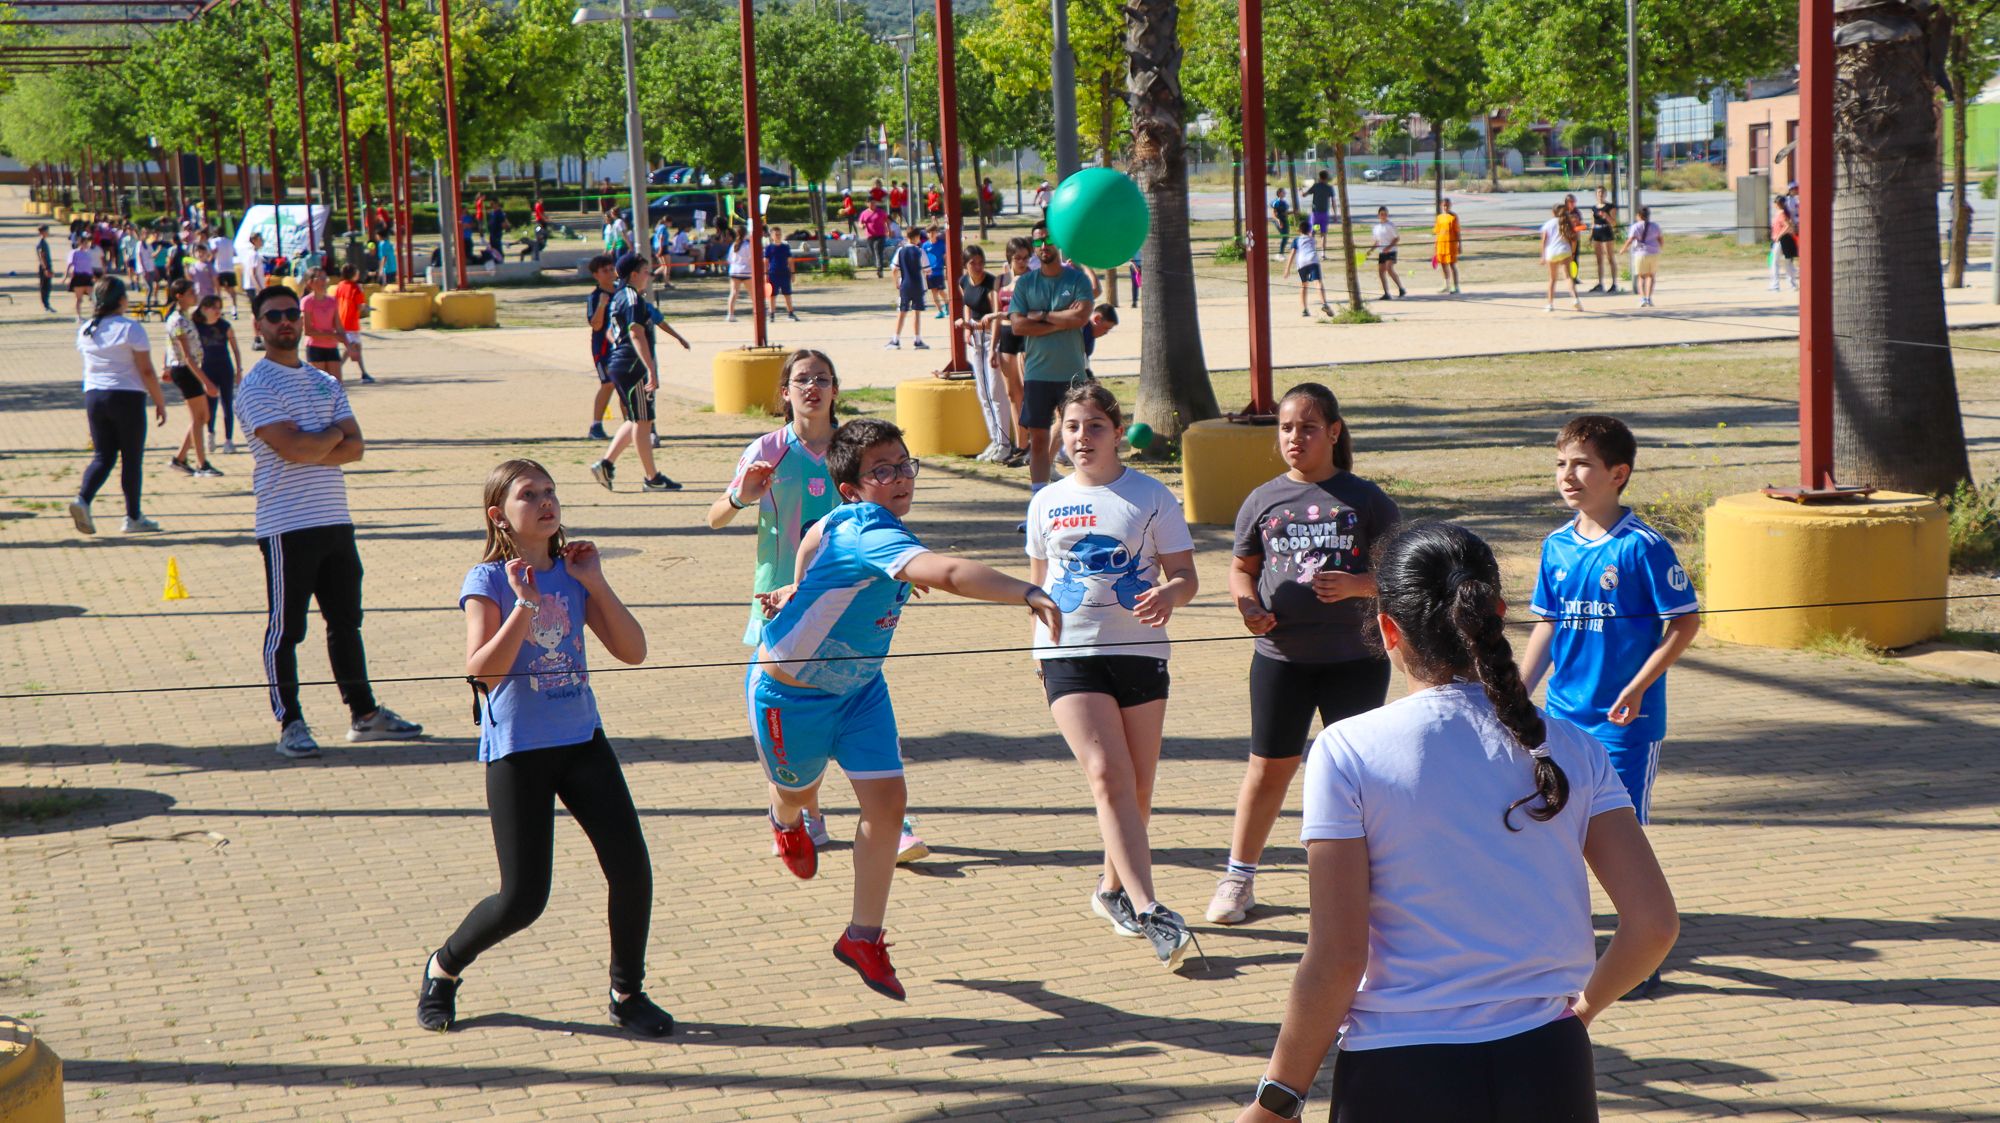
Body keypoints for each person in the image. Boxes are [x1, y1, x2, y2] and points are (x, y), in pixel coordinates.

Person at [1231, 519, 1679, 1123]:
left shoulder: (1349, 749)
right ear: (1495, 613)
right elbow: (1653, 924)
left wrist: (1279, 1098)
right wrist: (1582, 1010)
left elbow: (1338, 957)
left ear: (1388, 629)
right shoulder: (1572, 745)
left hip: (1400, 1070)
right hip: (1549, 1062)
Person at [749, 417, 1064, 1000]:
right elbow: (945, 572)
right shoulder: (869, 529)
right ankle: (786, 817)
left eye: (904, 465)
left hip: (862, 689)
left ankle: (862, 936)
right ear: (852, 489)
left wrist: (803, 587)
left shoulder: (856, 524)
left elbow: (816, 539)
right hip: (791, 697)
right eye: (882, 471)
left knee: (889, 803)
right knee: (796, 789)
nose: (900, 479)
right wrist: (1027, 589)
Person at [415, 459, 673, 1038]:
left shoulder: (573, 571)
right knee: (523, 899)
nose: (546, 503)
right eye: (528, 495)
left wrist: (596, 582)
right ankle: (444, 967)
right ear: (499, 516)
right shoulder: (485, 581)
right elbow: (481, 673)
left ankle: (627, 993)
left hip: (582, 740)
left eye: (550, 492)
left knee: (632, 870)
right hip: (519, 751)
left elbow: (633, 650)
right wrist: (525, 604)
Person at [1208, 383, 1398, 927]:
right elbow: (1242, 567)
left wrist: (1361, 585)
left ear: (1334, 433)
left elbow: (1402, 569)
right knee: (1269, 770)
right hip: (1281, 658)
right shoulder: (1263, 499)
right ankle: (1238, 879)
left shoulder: (1365, 498)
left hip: (1355, 659)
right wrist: (1248, 607)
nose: (1295, 438)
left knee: (1357, 777)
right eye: (1287, 428)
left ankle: (1371, 886)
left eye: (1308, 428)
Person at [1025, 382, 1200, 969]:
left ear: (1117, 432)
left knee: (1135, 789)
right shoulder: (1045, 501)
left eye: (1094, 426)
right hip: (1068, 656)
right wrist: (1038, 638)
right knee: (1107, 775)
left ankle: (1109, 891)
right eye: (1072, 427)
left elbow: (1186, 575)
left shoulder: (1150, 496)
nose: (1081, 438)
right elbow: (1040, 584)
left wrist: (1168, 595)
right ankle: (1151, 909)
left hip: (1141, 652)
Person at [235, 283, 424, 758]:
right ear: (258, 326)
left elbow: (356, 448)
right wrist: (330, 436)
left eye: (290, 314)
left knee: (345, 622)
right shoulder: (256, 386)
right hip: (285, 525)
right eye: (273, 315)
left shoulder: (325, 381)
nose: (285, 322)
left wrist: (318, 440)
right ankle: (291, 723)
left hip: (334, 520)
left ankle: (363, 715)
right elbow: (293, 448)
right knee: (286, 629)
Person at [1520, 414, 1699, 863]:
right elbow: (1549, 622)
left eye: (1581, 464)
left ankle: (1641, 922)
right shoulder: (1556, 545)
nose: (1566, 475)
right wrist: (1517, 691)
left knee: (1617, 841)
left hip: (1624, 724)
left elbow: (1685, 623)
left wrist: (1637, 688)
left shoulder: (1643, 547)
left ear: (1619, 474)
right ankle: (1568, 924)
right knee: (1558, 828)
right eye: (1560, 463)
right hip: (1563, 717)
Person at [708, 349, 851, 858]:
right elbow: (715, 517)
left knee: (845, 707)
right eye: (800, 380)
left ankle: (872, 813)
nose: (811, 387)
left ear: (835, 389)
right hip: (777, 603)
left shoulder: (851, 448)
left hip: (844, 602)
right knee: (790, 719)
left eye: (822, 379)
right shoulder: (767, 448)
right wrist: (743, 496)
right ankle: (802, 811)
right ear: (784, 393)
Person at [69, 277, 169, 535]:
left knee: (103, 455)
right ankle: (133, 516)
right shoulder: (130, 328)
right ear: (121, 300)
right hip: (126, 396)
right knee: (131, 459)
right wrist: (160, 401)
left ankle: (82, 499)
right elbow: (146, 370)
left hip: (94, 396)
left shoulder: (86, 329)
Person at [588, 253, 689, 494]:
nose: (649, 276)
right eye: (646, 271)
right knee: (643, 421)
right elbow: (635, 332)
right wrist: (651, 369)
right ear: (634, 274)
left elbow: (615, 332)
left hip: (621, 363)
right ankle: (652, 478)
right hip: (633, 366)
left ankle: (606, 464)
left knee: (635, 419)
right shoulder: (631, 297)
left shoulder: (619, 296)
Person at [1007, 237, 1094, 507]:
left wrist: (1042, 314)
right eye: (1038, 241)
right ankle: (1037, 503)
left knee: (1081, 435)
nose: (1044, 246)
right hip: (1037, 373)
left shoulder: (1076, 279)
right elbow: (1019, 326)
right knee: (1039, 438)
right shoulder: (1025, 283)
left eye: (1049, 241)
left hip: (1072, 373)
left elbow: (1080, 318)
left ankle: (1083, 497)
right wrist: (1060, 320)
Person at [158, 279, 221, 479]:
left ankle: (181, 458)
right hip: (186, 370)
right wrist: (206, 381)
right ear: (179, 296)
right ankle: (202, 463)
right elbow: (186, 355)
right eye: (190, 293)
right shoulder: (178, 320)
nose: (194, 295)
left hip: (186, 369)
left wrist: (166, 366)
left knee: (203, 417)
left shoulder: (184, 317)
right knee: (198, 417)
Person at [956, 246, 1010, 461]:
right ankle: (995, 439)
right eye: (973, 263)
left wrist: (994, 346)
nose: (978, 267)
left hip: (989, 338)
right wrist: (967, 329)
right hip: (975, 340)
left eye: (980, 262)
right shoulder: (964, 282)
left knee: (996, 391)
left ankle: (1005, 442)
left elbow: (995, 315)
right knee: (983, 392)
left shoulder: (991, 283)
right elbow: (967, 305)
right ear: (966, 265)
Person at [990, 237, 1035, 466]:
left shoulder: (1032, 278)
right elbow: (996, 314)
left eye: (1026, 258)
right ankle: (1020, 444)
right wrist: (993, 347)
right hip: (1006, 336)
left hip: (1025, 334)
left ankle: (1034, 444)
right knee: (1012, 393)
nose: (1022, 262)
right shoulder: (1000, 280)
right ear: (1009, 258)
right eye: (1018, 258)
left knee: (1029, 391)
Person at [194, 294, 244, 456]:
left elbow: (235, 349)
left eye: (219, 308)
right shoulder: (196, 326)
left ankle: (229, 440)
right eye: (214, 307)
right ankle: (210, 434)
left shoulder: (225, 326)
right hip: (207, 368)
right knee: (210, 404)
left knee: (227, 404)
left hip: (225, 368)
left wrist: (239, 370)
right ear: (204, 309)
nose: (218, 311)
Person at [583, 253, 618, 441]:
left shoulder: (621, 292)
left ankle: (631, 424)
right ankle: (595, 426)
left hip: (621, 347)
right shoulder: (596, 297)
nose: (610, 273)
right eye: (605, 270)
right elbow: (595, 324)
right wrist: (602, 305)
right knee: (608, 384)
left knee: (623, 384)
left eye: (612, 269)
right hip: (602, 349)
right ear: (596, 274)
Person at [886, 226, 930, 350]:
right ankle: (917, 339)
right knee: (916, 312)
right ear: (916, 237)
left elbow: (894, 269)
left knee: (902, 312)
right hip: (918, 285)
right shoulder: (920, 251)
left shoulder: (901, 250)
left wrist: (896, 282)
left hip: (905, 284)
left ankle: (896, 339)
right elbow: (927, 270)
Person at [297, 268, 345, 381]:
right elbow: (308, 330)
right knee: (320, 387)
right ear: (310, 282)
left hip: (332, 347)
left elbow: (339, 327)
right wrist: (332, 335)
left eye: (325, 278)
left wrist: (349, 345)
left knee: (337, 386)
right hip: (315, 347)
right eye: (321, 278)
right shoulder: (307, 302)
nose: (325, 281)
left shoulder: (332, 301)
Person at [332, 265, 374, 383]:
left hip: (341, 321)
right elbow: (359, 306)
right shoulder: (356, 288)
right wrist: (366, 308)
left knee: (356, 348)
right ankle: (336, 370)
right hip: (351, 322)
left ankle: (363, 373)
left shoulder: (340, 286)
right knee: (352, 347)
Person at [1540, 202, 1582, 313]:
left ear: (1553, 212)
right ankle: (1575, 299)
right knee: (1568, 277)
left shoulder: (1548, 224)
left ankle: (1550, 304)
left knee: (1552, 279)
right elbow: (1574, 239)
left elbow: (1544, 240)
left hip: (1551, 252)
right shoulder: (1566, 222)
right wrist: (1572, 253)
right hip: (1564, 250)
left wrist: (1543, 255)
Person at [1622, 206, 1663, 308]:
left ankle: (1643, 298)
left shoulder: (1635, 227)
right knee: (1651, 276)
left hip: (1640, 254)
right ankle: (1649, 298)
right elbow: (1660, 239)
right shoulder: (1655, 226)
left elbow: (1630, 239)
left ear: (1639, 215)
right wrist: (1660, 247)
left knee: (1641, 277)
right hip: (1653, 253)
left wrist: (1623, 249)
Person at [1365, 206, 1405, 300]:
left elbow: (1396, 238)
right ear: (1378, 215)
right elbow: (1377, 242)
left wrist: (1389, 247)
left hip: (1391, 251)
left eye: (1385, 214)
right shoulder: (1376, 228)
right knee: (1381, 271)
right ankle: (1386, 293)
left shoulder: (1390, 225)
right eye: (1381, 214)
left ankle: (1401, 288)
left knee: (1389, 268)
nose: (1383, 216)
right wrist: (1370, 251)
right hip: (1382, 252)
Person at [763, 224, 798, 322]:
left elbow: (790, 261)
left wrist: (793, 273)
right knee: (772, 295)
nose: (778, 236)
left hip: (784, 273)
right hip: (773, 273)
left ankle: (790, 313)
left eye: (779, 234)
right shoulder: (769, 248)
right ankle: (772, 314)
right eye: (776, 234)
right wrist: (765, 274)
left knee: (787, 294)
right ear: (772, 236)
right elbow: (765, 262)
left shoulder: (785, 247)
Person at [1588, 187, 1619, 294]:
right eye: (1598, 192)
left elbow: (1614, 223)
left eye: (1602, 192)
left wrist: (1606, 216)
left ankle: (1614, 283)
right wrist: (1590, 236)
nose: (1600, 194)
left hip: (1607, 232)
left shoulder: (1610, 207)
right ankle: (1600, 283)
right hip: (1597, 233)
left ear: (1605, 194)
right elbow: (1592, 222)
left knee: (1610, 258)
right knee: (1599, 260)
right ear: (1596, 194)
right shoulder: (1593, 208)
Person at [724, 227, 756, 323]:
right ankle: (757, 312)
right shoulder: (748, 245)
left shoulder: (734, 245)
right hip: (746, 271)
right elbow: (751, 259)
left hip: (734, 271)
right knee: (752, 293)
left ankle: (730, 314)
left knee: (733, 293)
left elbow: (729, 260)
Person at [63, 235, 98, 320]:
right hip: (78, 276)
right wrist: (66, 276)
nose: (87, 245)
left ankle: (96, 315)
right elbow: (70, 265)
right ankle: (79, 316)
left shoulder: (87, 253)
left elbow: (89, 266)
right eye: (85, 243)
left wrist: (93, 276)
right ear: (81, 243)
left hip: (87, 276)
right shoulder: (74, 252)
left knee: (93, 296)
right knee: (79, 298)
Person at [1432, 198, 1461, 295]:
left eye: (1447, 205)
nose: (1445, 207)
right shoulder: (1439, 217)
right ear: (1441, 205)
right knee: (1443, 265)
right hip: (1441, 244)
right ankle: (1446, 285)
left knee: (1452, 265)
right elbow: (1437, 232)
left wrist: (1459, 244)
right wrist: (1435, 245)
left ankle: (1456, 287)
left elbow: (1457, 232)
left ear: (1450, 205)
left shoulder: (1453, 217)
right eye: (1444, 205)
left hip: (1451, 245)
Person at [1769, 197, 1798, 292]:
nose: (1776, 204)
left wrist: (1779, 236)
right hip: (1779, 240)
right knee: (1787, 263)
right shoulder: (1780, 213)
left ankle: (1776, 285)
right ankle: (1791, 284)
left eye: (1778, 203)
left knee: (1776, 262)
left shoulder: (1782, 213)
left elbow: (1788, 225)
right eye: (1776, 202)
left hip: (1782, 240)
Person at [922, 224, 948, 317]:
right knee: (934, 292)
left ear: (937, 233)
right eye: (930, 233)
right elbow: (923, 259)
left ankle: (947, 304)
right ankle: (940, 311)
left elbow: (945, 258)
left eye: (934, 232)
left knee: (941, 291)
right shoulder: (925, 245)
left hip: (939, 271)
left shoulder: (941, 244)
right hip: (929, 272)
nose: (932, 234)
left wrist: (946, 270)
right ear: (927, 234)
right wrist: (924, 271)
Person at [859, 201, 891, 278]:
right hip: (870, 236)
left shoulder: (880, 212)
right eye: (870, 203)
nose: (872, 205)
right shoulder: (864, 213)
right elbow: (860, 223)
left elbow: (887, 221)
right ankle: (879, 265)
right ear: (867, 204)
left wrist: (889, 230)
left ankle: (879, 269)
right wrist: (862, 226)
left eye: (873, 203)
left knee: (877, 250)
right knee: (872, 252)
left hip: (880, 235)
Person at [212, 232, 241, 315]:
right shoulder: (230, 241)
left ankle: (219, 309)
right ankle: (234, 307)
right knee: (232, 289)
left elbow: (214, 250)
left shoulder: (215, 241)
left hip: (219, 268)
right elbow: (235, 253)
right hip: (230, 268)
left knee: (218, 290)